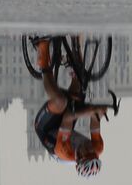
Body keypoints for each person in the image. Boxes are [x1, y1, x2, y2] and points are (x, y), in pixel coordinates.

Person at [31, 37, 110, 177]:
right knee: (81, 82)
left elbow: (68, 117)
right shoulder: (98, 147)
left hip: (46, 128)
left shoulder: (64, 151)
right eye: (93, 152)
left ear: (79, 157)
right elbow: (95, 120)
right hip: (65, 126)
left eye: (87, 152)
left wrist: (91, 110)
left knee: (61, 101)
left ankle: (42, 56)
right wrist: (99, 112)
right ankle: (75, 43)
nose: (90, 149)